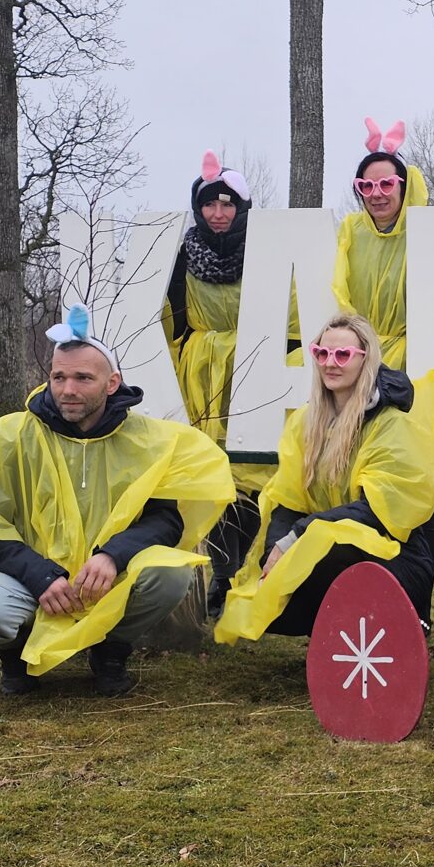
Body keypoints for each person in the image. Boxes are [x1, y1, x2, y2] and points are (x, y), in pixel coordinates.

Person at [0, 304, 235, 696]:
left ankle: (110, 652)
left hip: (106, 578)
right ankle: (16, 657)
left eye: (82, 378)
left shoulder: (145, 441)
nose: (68, 390)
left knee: (171, 575)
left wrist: (112, 556)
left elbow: (165, 521)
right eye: (58, 377)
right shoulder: (8, 437)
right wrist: (39, 575)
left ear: (111, 383)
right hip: (29, 577)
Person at [215, 313, 434, 645]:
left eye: (343, 355)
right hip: (327, 545)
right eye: (322, 353)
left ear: (366, 360)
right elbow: (287, 500)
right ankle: (337, 632)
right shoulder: (306, 422)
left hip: (395, 559)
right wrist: (274, 554)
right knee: (269, 601)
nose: (330, 363)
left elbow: (376, 513)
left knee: (335, 549)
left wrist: (298, 536)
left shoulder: (393, 425)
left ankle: (399, 622)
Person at [162, 151, 277, 618]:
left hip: (256, 371)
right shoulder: (184, 256)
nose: (218, 213)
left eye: (227, 204)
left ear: (242, 206)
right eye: (209, 204)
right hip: (203, 378)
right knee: (212, 476)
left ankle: (250, 573)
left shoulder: (267, 252)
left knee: (254, 475)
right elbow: (172, 317)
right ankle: (220, 575)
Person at [335, 118, 434, 387]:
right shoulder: (349, 233)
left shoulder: (430, 236)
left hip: (422, 367)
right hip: (360, 365)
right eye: (367, 186)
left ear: (404, 185)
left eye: (386, 184)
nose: (376, 194)